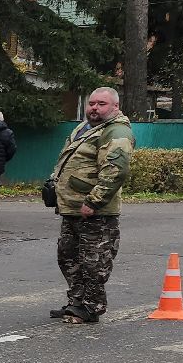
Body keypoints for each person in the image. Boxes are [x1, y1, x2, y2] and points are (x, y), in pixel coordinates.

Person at [48, 86, 134, 324]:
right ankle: (76, 302)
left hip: (95, 212)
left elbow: (116, 170)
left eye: (101, 104)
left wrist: (94, 201)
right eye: (92, 103)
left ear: (115, 106)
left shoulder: (116, 131)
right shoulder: (86, 127)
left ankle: (91, 307)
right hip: (72, 208)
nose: (94, 108)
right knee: (67, 257)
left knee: (93, 262)